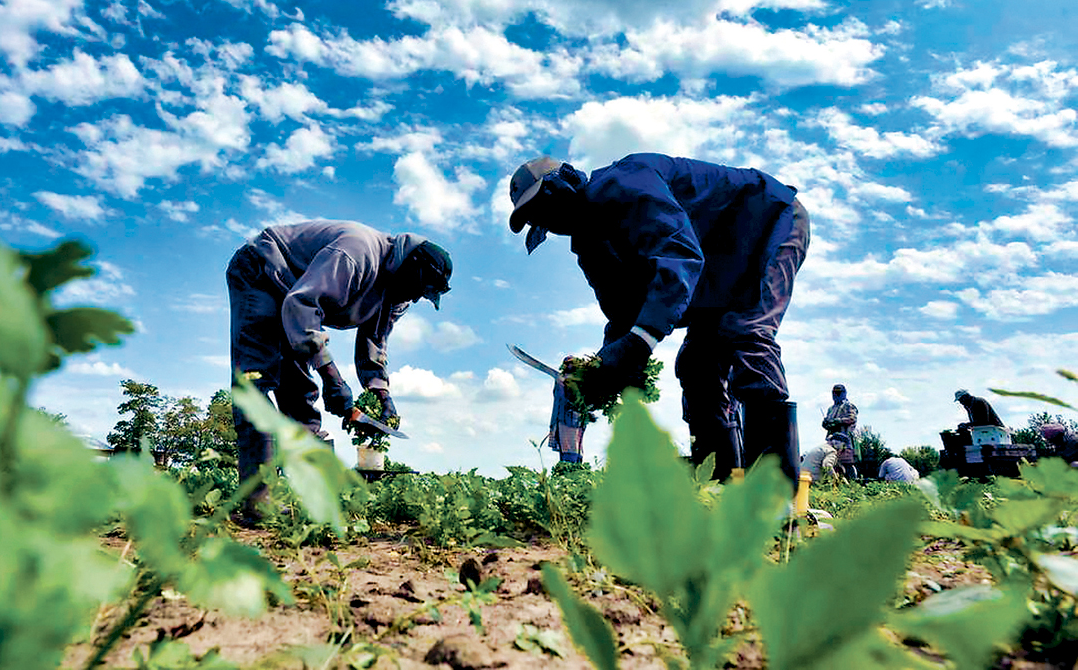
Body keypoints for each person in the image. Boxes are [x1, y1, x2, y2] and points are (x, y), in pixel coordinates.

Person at [507, 153, 810, 482]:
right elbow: (623, 313)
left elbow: (678, 253)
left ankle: (777, 493)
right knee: (697, 364)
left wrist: (640, 341)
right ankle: (719, 481)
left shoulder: (625, 182)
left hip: (767, 225)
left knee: (745, 332)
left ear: (562, 186)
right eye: (536, 217)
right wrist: (606, 368)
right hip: (715, 269)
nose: (547, 222)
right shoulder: (588, 244)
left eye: (542, 207)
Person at [227, 220, 452, 520]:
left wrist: (381, 393)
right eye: (416, 289)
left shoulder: (399, 293)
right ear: (410, 267)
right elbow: (303, 305)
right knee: (256, 381)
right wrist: (332, 378)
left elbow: (374, 341)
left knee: (299, 391)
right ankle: (260, 500)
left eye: (420, 295)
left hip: (295, 295)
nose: (412, 298)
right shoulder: (356, 254)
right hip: (264, 271)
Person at [822, 384, 859, 480]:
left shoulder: (848, 406)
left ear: (844, 394)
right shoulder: (831, 408)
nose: (836, 395)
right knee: (832, 461)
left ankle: (852, 482)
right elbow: (827, 425)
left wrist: (837, 421)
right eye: (834, 393)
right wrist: (826, 423)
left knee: (846, 463)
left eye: (839, 393)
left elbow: (852, 418)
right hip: (832, 439)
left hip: (844, 439)